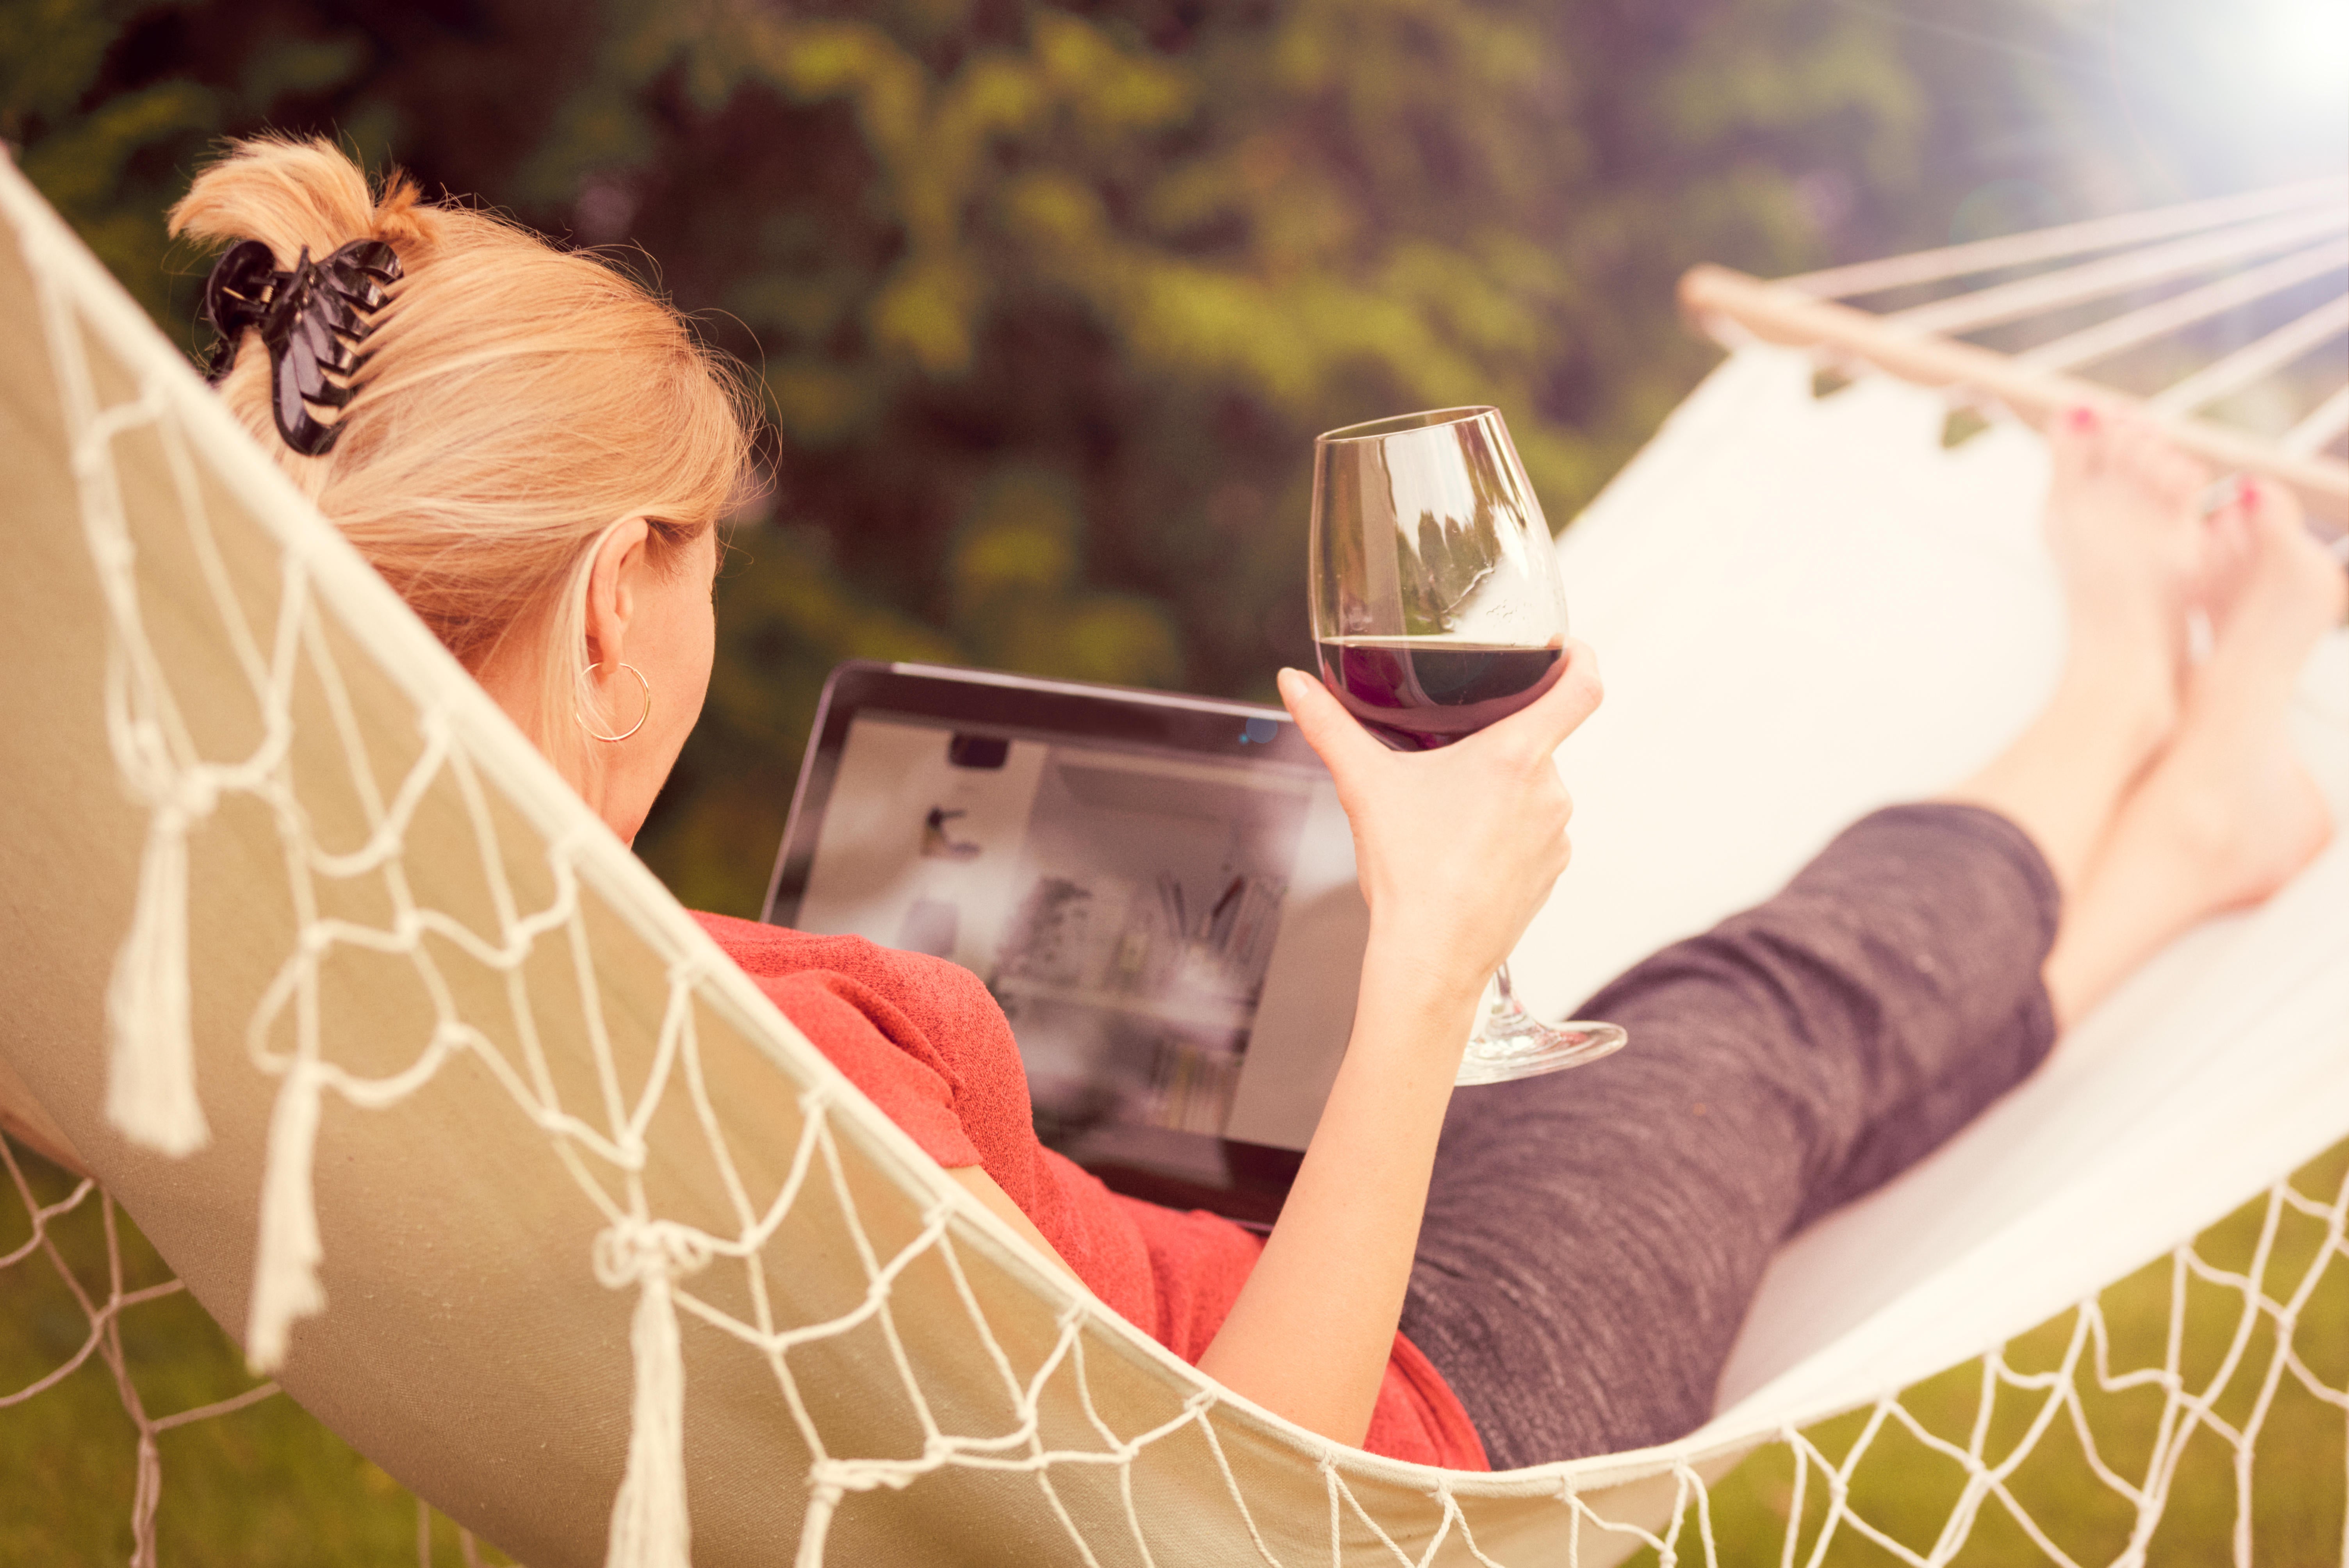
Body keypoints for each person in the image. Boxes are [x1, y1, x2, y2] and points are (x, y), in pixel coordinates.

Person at [163, 137, 2344, 1472]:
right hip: (1423, 1402)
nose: (710, 609)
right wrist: (1423, 963)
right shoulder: (712, 1059)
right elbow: (1265, 1520)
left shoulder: (355, 989)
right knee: (1757, 1016)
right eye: (707, 558)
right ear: (612, 614)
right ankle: (2122, 700)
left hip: (1232, 1271)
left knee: (1708, 1054)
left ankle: (2170, 848)